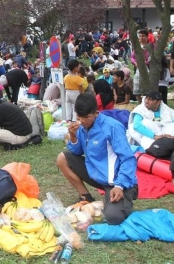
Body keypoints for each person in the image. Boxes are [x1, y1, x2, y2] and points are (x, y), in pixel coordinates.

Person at [56, 93, 138, 225]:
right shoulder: (82, 127)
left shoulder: (112, 127)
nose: (82, 121)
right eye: (79, 117)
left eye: (86, 117)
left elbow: (128, 159)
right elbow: (77, 151)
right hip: (97, 174)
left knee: (113, 217)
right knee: (62, 158)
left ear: (96, 113)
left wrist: (119, 186)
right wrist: (73, 136)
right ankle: (86, 197)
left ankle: (125, 196)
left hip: (116, 181)